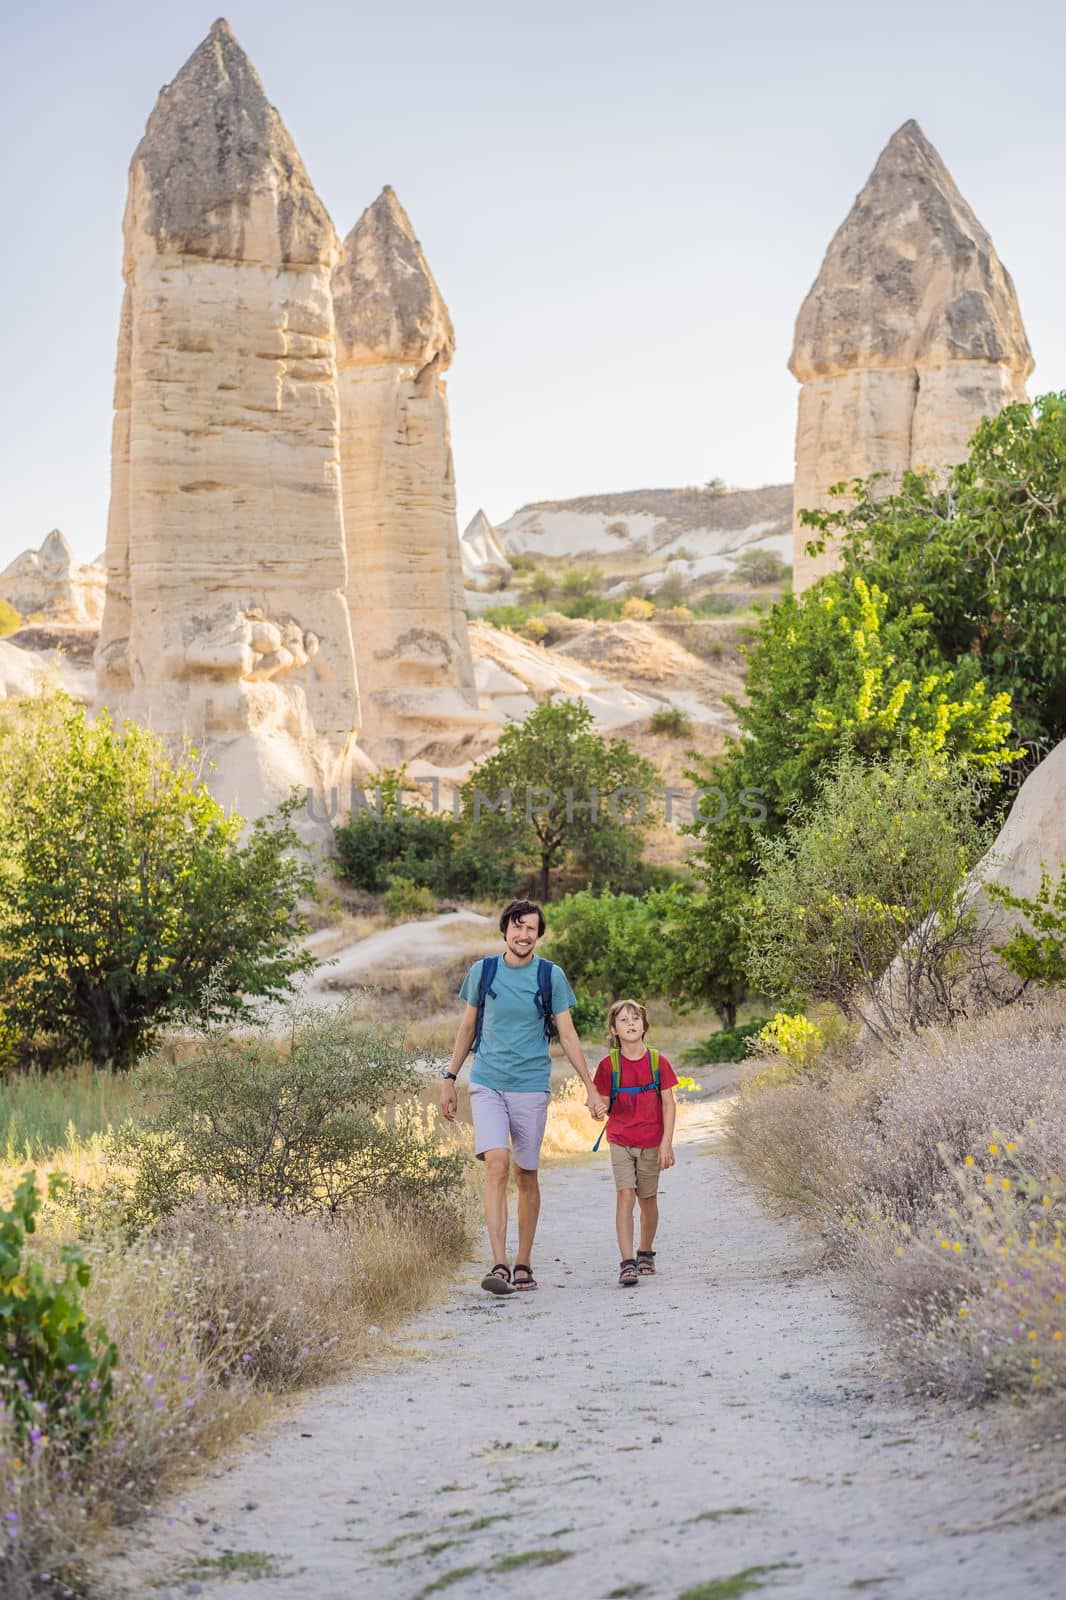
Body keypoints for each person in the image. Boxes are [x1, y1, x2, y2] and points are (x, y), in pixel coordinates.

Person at [440, 898, 608, 1296]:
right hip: (488, 1082)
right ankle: (498, 1263)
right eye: (517, 927)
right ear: (505, 930)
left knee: (526, 1174)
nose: (523, 934)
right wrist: (449, 1077)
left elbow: (567, 1035)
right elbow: (467, 1029)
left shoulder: (551, 976)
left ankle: (523, 1263)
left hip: (531, 1084)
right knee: (496, 1166)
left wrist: (590, 1086)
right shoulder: (484, 972)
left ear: (539, 934)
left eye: (530, 928)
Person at [593, 998, 678, 1287]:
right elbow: (603, 1102)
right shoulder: (608, 1065)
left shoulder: (658, 1061)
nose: (630, 1024)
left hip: (652, 1141)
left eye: (635, 1019)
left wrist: (666, 1143)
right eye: (623, 1020)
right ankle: (627, 1262)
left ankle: (645, 1252)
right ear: (614, 1030)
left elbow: (668, 1104)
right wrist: (597, 1109)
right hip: (620, 1139)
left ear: (644, 1026)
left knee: (648, 1200)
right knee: (625, 1195)